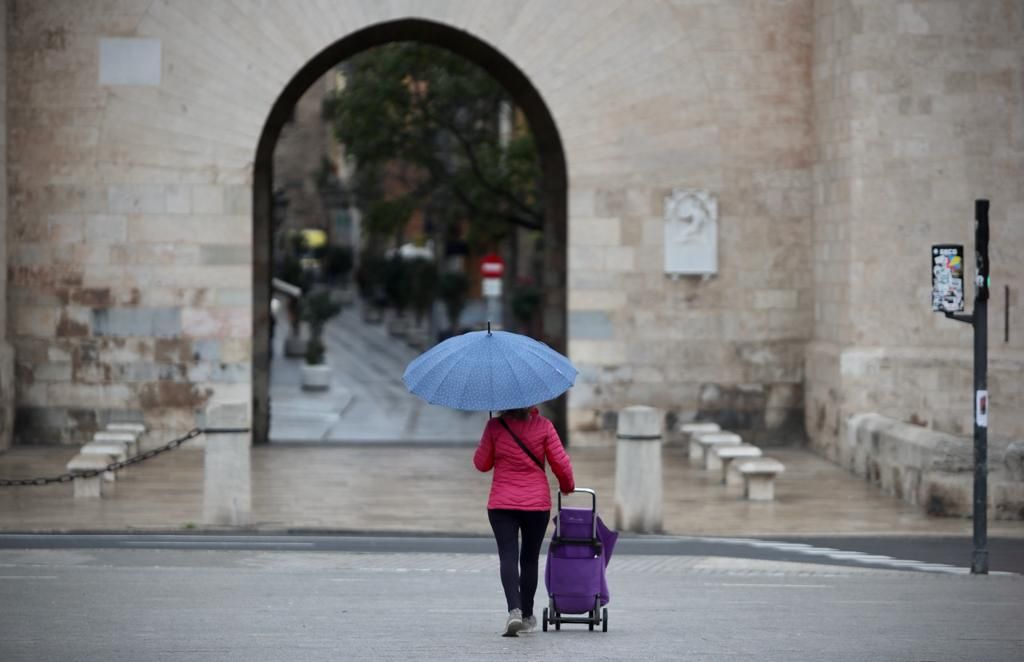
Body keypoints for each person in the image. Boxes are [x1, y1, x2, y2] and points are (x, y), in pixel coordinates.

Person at [473, 405, 575, 637]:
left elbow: (481, 464)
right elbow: (561, 462)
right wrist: (567, 486)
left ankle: (514, 611)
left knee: (507, 557)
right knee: (528, 560)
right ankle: (528, 616)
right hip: (536, 505)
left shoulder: (494, 427)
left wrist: (491, 432)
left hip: (501, 504)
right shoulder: (544, 426)